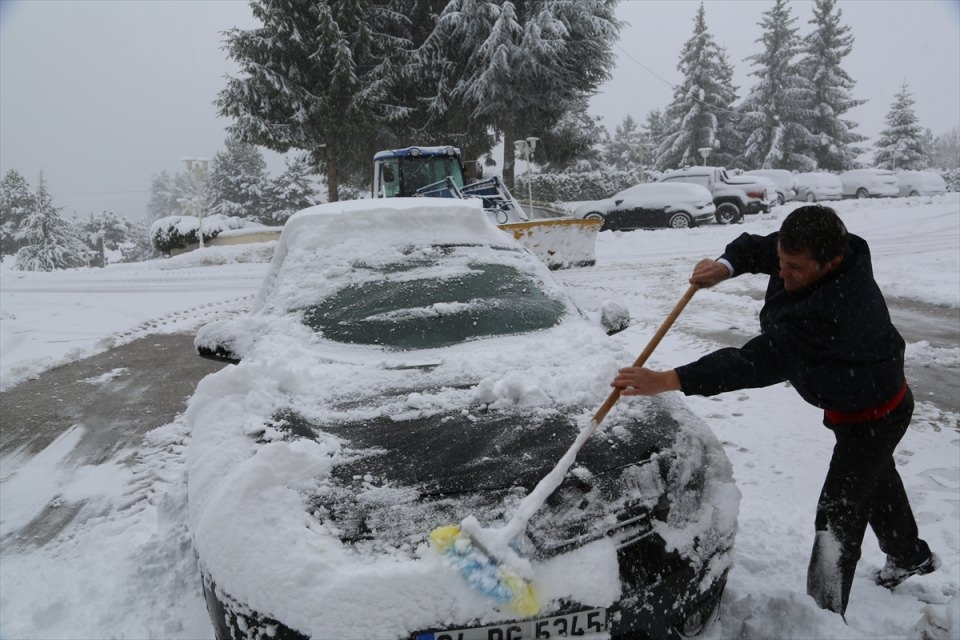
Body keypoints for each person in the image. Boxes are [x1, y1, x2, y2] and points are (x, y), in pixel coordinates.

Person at [612, 205, 936, 617]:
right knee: (875, 479)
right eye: (781, 262)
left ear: (831, 262)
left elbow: (756, 362)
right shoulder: (825, 250)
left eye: (794, 268)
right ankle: (909, 556)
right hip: (854, 402)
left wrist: (671, 379)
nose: (782, 273)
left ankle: (822, 616)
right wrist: (725, 267)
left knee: (838, 516)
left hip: (874, 413)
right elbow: (754, 247)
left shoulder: (836, 309)